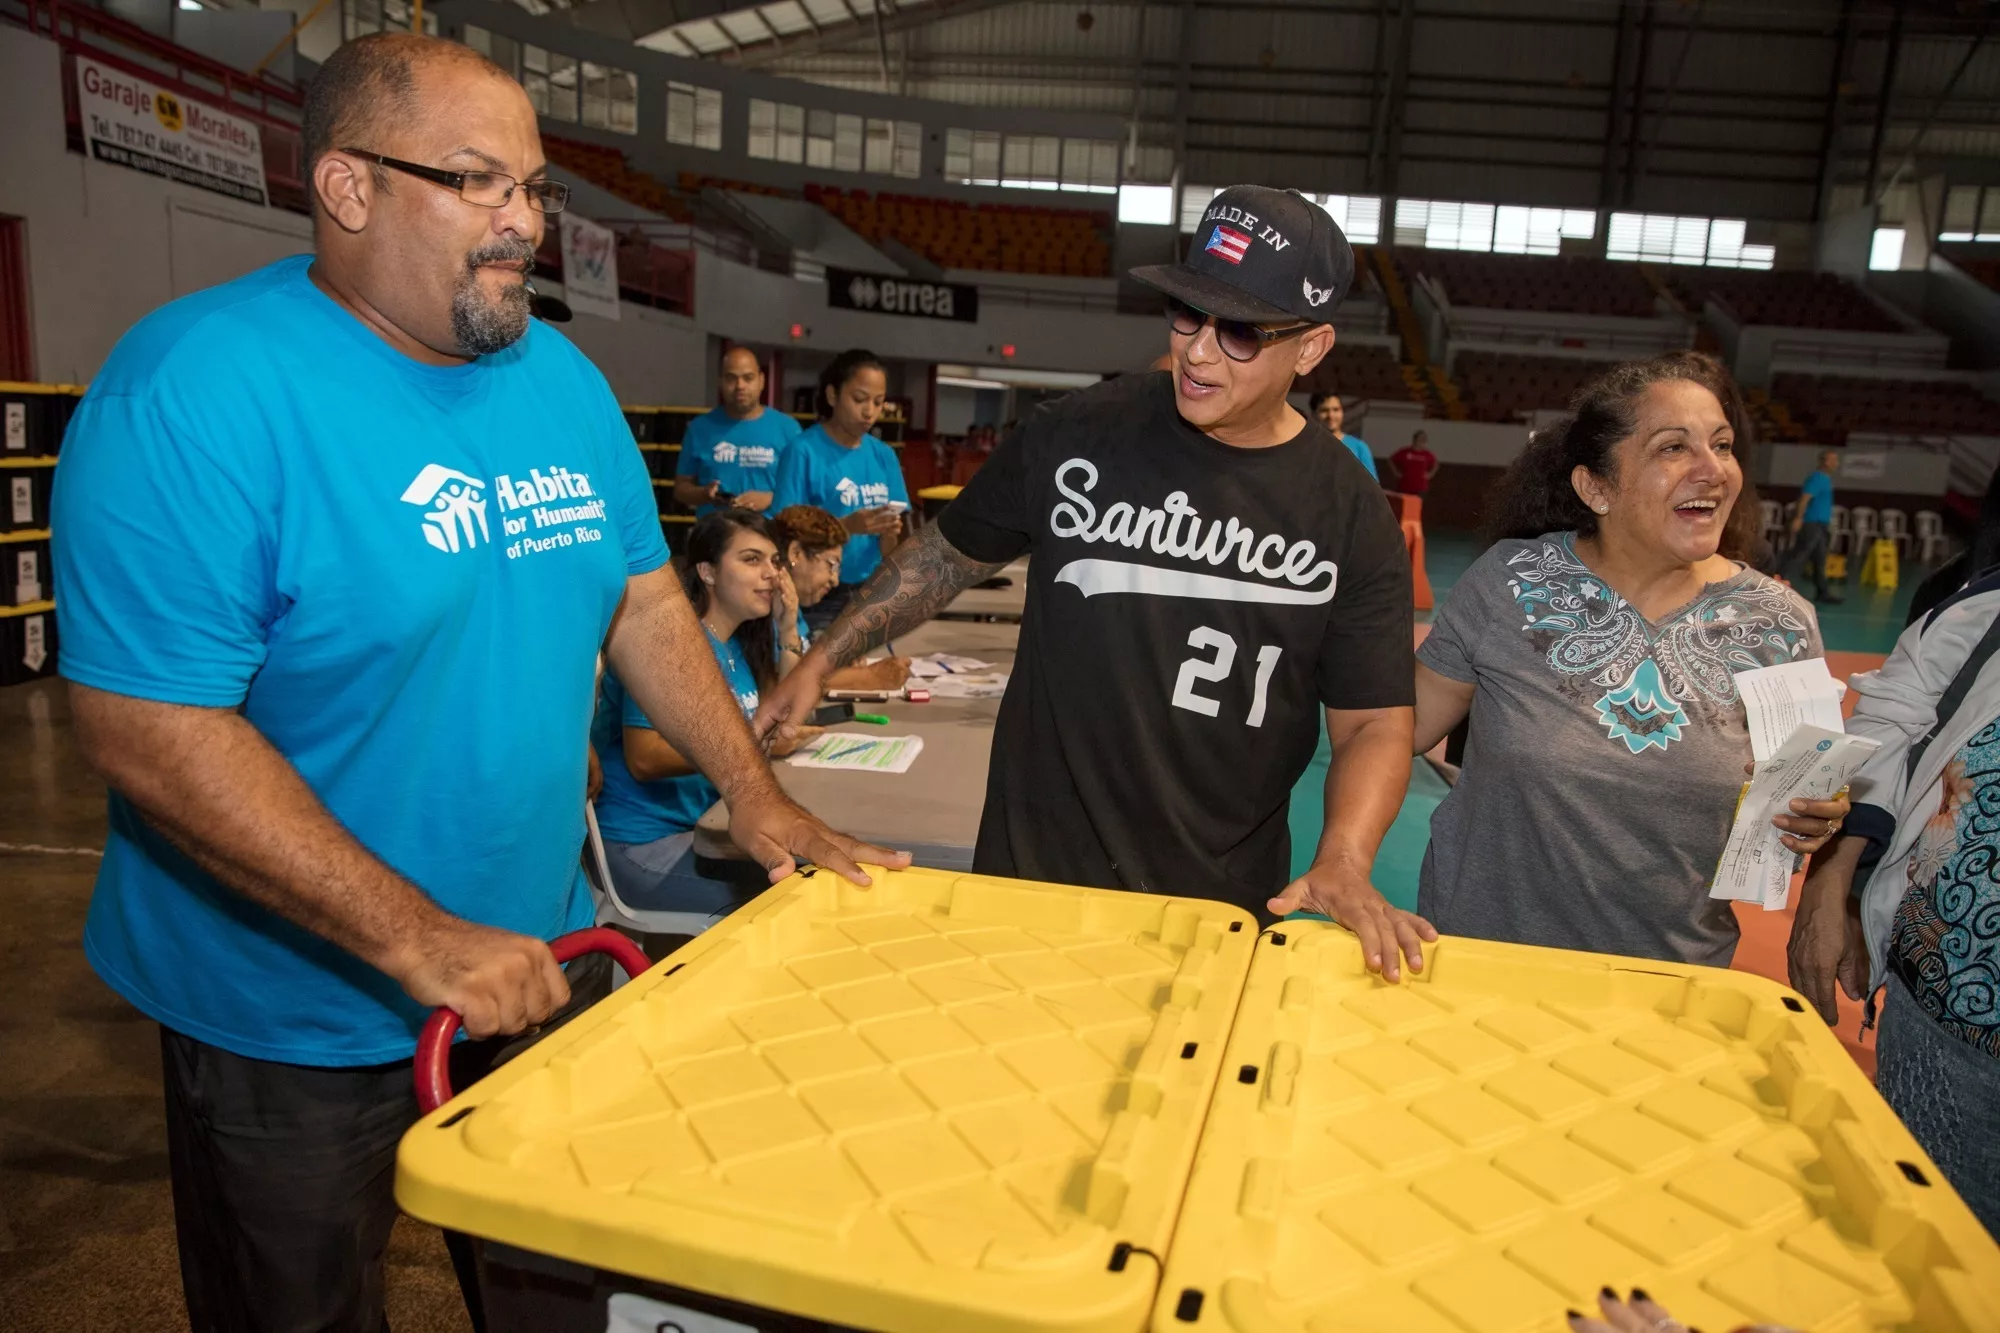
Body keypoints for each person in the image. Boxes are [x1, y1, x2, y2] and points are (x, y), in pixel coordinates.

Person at [49, 34, 902, 1333]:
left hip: (544, 959)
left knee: (556, 1296)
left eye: (536, 188)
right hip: (291, 1017)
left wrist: (752, 789)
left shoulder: (555, 378)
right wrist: (417, 939)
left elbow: (644, 597)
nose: (526, 225)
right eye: (478, 182)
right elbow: (147, 725)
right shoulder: (195, 391)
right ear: (347, 189)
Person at [759, 185, 1435, 979]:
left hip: (1214, 907)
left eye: (1242, 331)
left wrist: (1346, 858)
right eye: (1189, 313)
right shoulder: (1076, 432)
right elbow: (947, 556)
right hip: (1032, 878)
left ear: (1313, 347)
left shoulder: (1349, 513)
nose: (1199, 350)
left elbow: (1373, 724)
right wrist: (821, 657)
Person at [1410, 352, 1850, 966]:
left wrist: (1820, 815)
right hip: (1479, 961)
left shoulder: (1781, 623)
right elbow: (1392, 727)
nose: (1713, 471)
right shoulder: (1511, 582)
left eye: (1722, 446)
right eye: (1674, 448)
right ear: (1596, 487)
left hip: (1671, 981)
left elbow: (1806, 791)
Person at [1790, 565, 2000, 1234]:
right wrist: (1834, 884)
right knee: (1923, 1242)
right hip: (1941, 1018)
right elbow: (1886, 723)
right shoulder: (1979, 610)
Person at [594, 512, 822, 918]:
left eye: (774, 562)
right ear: (707, 572)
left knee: (810, 876)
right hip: (645, 843)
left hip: (704, 831)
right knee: (788, 905)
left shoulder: (736, 647)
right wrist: (747, 742)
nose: (771, 574)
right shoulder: (674, 647)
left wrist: (788, 628)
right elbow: (644, 758)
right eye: (751, 560)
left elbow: (780, 714)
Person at [770, 348, 909, 629]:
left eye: (878, 402)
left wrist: (889, 536)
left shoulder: (883, 455)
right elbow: (782, 531)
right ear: (833, 395)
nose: (869, 411)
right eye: (859, 399)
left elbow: (893, 544)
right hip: (818, 593)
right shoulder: (803, 451)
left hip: (869, 590)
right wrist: (846, 526)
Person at [768, 503, 911, 692]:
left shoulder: (793, 606)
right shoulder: (766, 607)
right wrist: (866, 678)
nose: (835, 581)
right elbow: (780, 680)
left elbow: (801, 665)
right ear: (796, 553)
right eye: (831, 565)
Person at [673, 345, 800, 517]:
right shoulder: (700, 429)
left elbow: (803, 490)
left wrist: (771, 498)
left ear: (761, 381)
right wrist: (705, 494)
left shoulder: (788, 429)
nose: (740, 386)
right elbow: (681, 488)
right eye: (731, 378)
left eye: (748, 378)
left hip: (770, 538)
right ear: (720, 382)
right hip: (716, 537)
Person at [1780, 448, 1842, 603]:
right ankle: (1777, 581)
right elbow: (1804, 499)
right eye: (1833, 460)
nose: (1836, 463)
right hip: (1811, 523)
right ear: (1825, 461)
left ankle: (1823, 592)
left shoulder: (1826, 479)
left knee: (1820, 560)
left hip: (1821, 525)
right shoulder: (1816, 478)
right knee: (1799, 554)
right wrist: (1798, 518)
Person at [1311, 389, 1377, 479]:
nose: (1331, 415)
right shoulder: (1307, 446)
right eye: (1324, 410)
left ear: (1342, 412)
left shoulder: (1359, 448)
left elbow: (1372, 489)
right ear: (1314, 414)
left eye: (1336, 409)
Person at [1389, 428, 1440, 496]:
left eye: (1424, 439)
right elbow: (1391, 460)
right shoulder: (1405, 452)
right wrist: (1396, 472)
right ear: (1415, 439)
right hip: (1405, 486)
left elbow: (1436, 464)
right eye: (1420, 439)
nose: (1422, 441)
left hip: (1421, 487)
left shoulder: (1427, 454)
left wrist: (1430, 474)